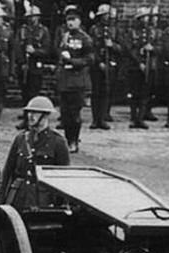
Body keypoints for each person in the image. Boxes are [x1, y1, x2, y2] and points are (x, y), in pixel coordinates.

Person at [0, 95, 70, 209]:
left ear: (46, 115)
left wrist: (63, 205)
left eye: (36, 112)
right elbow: (8, 172)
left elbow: (64, 178)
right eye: (29, 112)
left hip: (43, 201)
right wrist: (1, 201)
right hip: (19, 199)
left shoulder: (58, 142)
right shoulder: (21, 139)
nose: (30, 116)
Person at [55, 5, 94, 153]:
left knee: (75, 114)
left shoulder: (85, 39)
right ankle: (67, 139)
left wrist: (72, 61)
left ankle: (74, 140)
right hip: (65, 80)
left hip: (77, 80)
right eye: (68, 20)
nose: (70, 23)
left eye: (73, 19)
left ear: (79, 21)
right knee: (65, 114)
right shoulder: (63, 37)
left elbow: (89, 59)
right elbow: (57, 52)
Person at [14, 6, 52, 128]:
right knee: (24, 94)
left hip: (36, 66)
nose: (32, 19)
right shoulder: (22, 30)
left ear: (38, 17)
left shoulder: (43, 31)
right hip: (24, 67)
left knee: (34, 94)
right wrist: (21, 62)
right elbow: (17, 48)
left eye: (34, 16)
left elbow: (47, 49)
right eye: (30, 17)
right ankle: (26, 119)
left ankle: (34, 120)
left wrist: (35, 52)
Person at [124, 6, 160, 128]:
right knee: (134, 93)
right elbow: (129, 49)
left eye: (146, 18)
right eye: (142, 18)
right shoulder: (131, 32)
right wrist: (139, 62)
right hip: (134, 67)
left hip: (149, 66)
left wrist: (152, 48)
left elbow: (160, 47)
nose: (145, 20)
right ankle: (134, 117)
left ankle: (141, 117)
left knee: (145, 93)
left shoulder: (152, 32)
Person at [89, 4, 118, 130]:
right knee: (96, 92)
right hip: (97, 65)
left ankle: (103, 118)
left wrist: (112, 45)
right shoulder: (94, 29)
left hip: (110, 63)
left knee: (106, 92)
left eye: (107, 15)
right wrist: (98, 62)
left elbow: (122, 48)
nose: (106, 17)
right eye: (104, 15)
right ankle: (95, 119)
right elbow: (91, 48)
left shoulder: (115, 30)